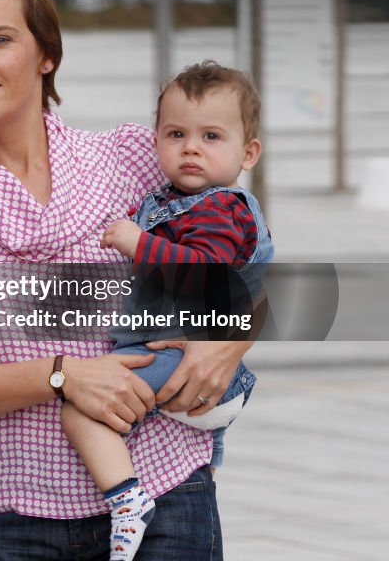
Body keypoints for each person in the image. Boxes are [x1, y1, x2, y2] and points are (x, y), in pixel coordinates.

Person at [0, 0, 254, 560]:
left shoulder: (133, 160)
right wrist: (63, 376)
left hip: (170, 496)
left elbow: (248, 265)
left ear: (46, 54)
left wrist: (231, 338)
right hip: (18, 520)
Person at [59, 60, 272, 559]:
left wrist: (138, 243)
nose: (191, 147)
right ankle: (208, 455)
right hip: (193, 367)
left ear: (249, 152)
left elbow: (202, 275)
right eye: (176, 133)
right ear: (156, 140)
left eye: (211, 136)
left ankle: (127, 499)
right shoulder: (174, 200)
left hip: (185, 359)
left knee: (81, 411)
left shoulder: (222, 208)